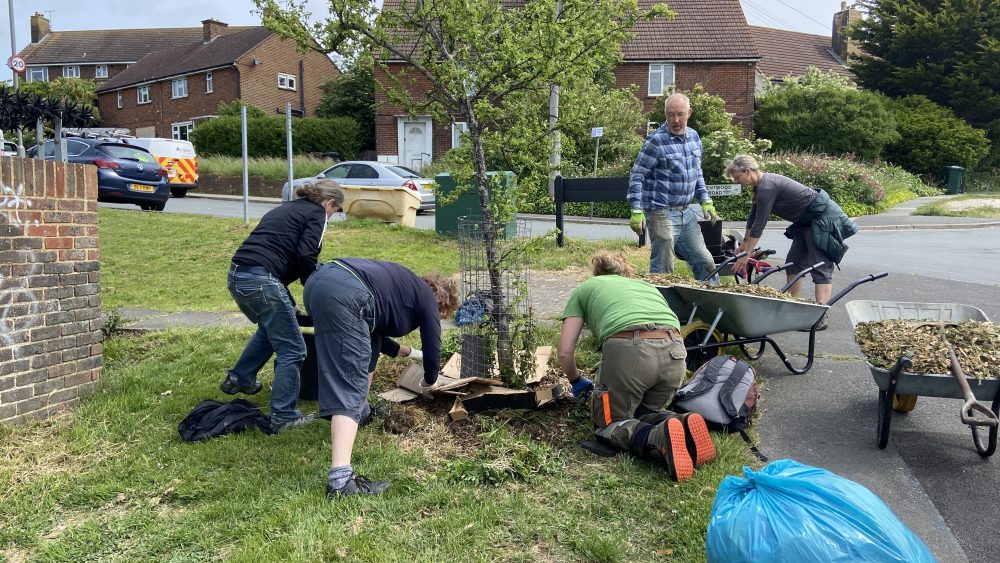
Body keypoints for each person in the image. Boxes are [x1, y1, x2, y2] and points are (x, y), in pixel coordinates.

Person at [303, 259, 459, 497]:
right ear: (442, 302)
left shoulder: (401, 288)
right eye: (442, 313)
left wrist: (410, 354)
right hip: (346, 294)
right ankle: (340, 481)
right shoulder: (427, 298)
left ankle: (361, 412)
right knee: (349, 383)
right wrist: (430, 380)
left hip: (319, 283)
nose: (439, 316)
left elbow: (375, 338)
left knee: (358, 355)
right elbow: (432, 344)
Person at [557, 252, 717, 482]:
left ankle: (658, 436)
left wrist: (575, 380)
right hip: (675, 350)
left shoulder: (586, 287)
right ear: (624, 271)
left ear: (597, 273)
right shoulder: (645, 286)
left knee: (609, 425)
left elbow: (564, 351)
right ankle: (683, 422)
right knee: (644, 413)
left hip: (632, 349)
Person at [221, 180, 345, 432]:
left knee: (274, 327)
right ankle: (284, 416)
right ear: (329, 203)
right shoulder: (317, 214)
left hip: (238, 275)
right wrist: (315, 288)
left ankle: (240, 377)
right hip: (261, 280)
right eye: (336, 210)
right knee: (293, 349)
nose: (332, 216)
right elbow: (306, 255)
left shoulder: (288, 208)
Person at [724, 154, 859, 324]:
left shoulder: (767, 186)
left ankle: (819, 317)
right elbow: (753, 217)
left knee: (821, 265)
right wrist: (744, 245)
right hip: (805, 222)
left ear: (748, 171)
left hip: (820, 220)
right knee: (793, 263)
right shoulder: (760, 187)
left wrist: (747, 254)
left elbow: (760, 223)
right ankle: (791, 307)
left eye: (737, 177)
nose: (736, 182)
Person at [628, 92, 720, 283]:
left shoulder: (694, 137)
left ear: (689, 113)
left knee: (704, 260)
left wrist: (705, 200)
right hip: (660, 212)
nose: (675, 120)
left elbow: (697, 172)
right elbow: (637, 175)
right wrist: (636, 210)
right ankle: (660, 309)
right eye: (670, 114)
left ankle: (713, 306)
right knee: (663, 267)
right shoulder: (656, 141)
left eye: (680, 114)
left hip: (686, 213)